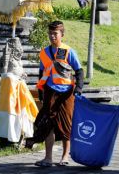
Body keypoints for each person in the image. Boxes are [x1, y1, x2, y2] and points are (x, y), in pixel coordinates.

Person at [32, 21, 84, 167]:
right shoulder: (44, 52)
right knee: (48, 124)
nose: (52, 36)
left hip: (67, 94)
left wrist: (78, 89)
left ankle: (65, 157)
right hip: (49, 91)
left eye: (55, 33)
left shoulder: (68, 51)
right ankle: (48, 158)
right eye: (50, 33)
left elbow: (79, 71)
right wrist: (41, 94)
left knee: (67, 125)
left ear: (62, 34)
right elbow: (42, 73)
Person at [0, 37, 38, 147]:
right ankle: (9, 140)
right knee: (10, 115)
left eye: (21, 49)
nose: (20, 51)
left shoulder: (19, 60)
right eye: (18, 49)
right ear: (14, 49)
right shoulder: (8, 59)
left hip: (20, 91)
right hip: (10, 92)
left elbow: (19, 72)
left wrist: (21, 75)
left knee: (22, 114)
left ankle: (21, 138)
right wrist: (5, 73)